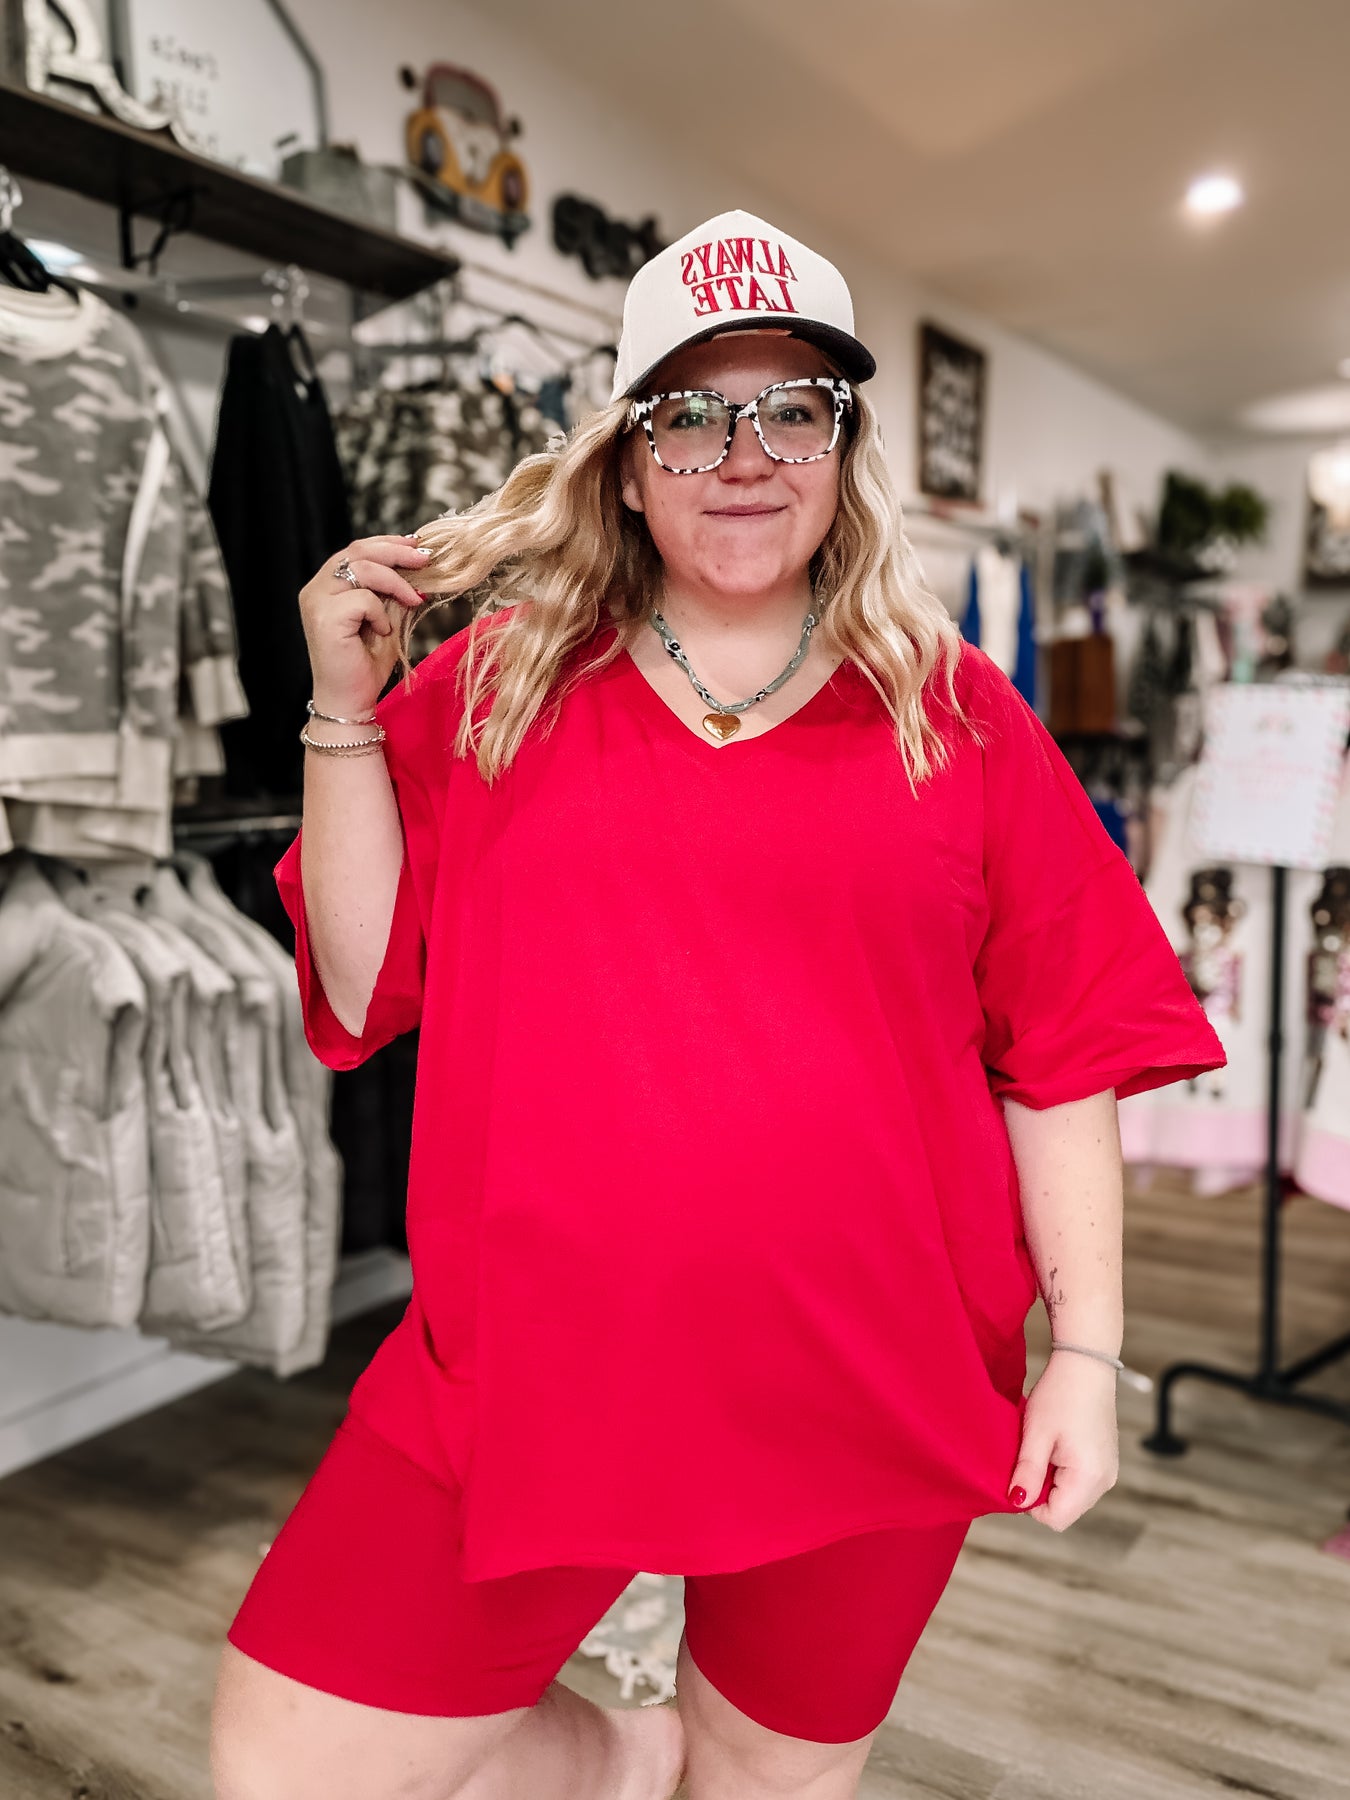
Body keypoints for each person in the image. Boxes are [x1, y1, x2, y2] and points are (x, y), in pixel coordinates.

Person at [211, 209, 1225, 1800]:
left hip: (872, 1372)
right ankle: (628, 1755)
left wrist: (1085, 1354)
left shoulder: (956, 713)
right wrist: (342, 710)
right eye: (689, 415)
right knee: (293, 1762)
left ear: (841, 447)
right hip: (526, 1371)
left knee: (771, 1773)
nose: (741, 456)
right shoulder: (497, 684)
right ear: (626, 461)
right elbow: (357, 982)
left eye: (789, 411)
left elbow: (1061, 1058)